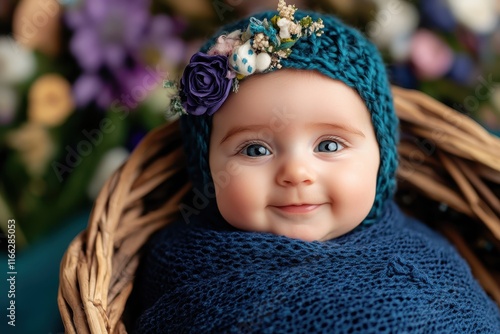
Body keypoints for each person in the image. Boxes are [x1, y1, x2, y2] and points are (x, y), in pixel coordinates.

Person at [131, 1, 500, 332]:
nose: (296, 173)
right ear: (206, 167)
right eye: (255, 150)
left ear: (381, 158)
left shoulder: (422, 258)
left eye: (328, 145)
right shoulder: (181, 264)